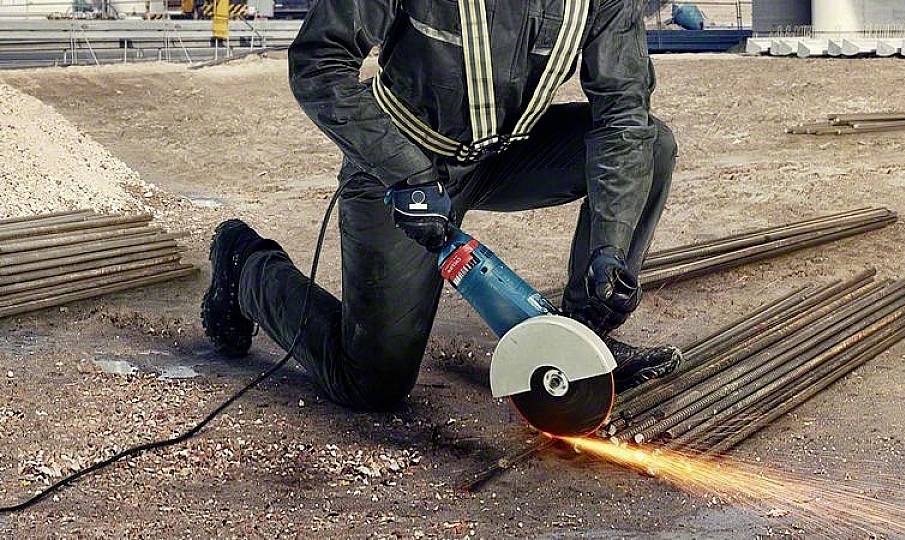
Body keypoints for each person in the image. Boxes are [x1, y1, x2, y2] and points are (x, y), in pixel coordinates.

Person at [201, 0, 682, 411]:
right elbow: (319, 61)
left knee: (650, 144)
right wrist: (404, 172)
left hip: (501, 156)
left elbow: (624, 117)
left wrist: (610, 249)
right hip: (401, 163)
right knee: (372, 382)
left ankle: (577, 340)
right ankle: (246, 266)